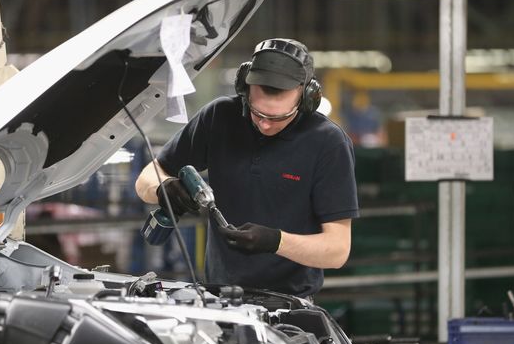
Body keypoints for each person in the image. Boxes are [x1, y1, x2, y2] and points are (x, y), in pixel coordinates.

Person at [135, 38, 358, 298]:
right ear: (244, 88)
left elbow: (337, 251)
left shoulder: (327, 142)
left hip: (289, 304)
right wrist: (163, 189)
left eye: (277, 117)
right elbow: (145, 179)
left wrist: (275, 242)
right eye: (257, 113)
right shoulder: (219, 118)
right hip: (219, 298)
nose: (264, 125)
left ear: (307, 97)